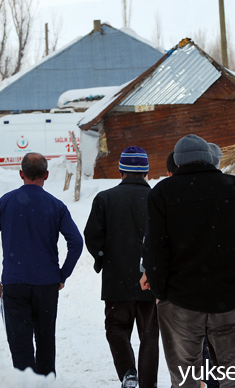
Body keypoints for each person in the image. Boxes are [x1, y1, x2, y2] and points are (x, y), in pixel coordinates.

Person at [143, 135, 235, 388]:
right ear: (209, 158)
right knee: (234, 373)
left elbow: (155, 249)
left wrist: (161, 292)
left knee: (185, 376)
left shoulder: (163, 193)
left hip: (181, 302)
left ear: (177, 162)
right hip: (230, 299)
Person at [0, 153, 84, 376]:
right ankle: (46, 381)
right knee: (46, 343)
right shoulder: (56, 205)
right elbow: (76, 242)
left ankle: (25, 382)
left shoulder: (6, 202)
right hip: (47, 285)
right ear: (46, 175)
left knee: (20, 347)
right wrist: (62, 275)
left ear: (21, 174)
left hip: (15, 284)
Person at [84, 146, 159, 388]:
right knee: (149, 335)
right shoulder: (157, 199)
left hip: (116, 279)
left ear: (121, 171)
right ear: (146, 171)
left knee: (116, 327)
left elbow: (92, 235)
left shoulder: (105, 198)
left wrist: (104, 258)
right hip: (151, 279)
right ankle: (148, 383)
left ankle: (128, 373)